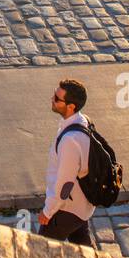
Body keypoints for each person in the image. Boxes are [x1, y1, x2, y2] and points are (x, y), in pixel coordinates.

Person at [38, 79, 94, 246]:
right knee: (85, 254)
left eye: (57, 98)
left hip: (66, 209)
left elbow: (65, 183)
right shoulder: (83, 121)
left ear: (71, 106)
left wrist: (48, 212)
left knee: (41, 252)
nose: (52, 99)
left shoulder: (71, 140)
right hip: (80, 206)